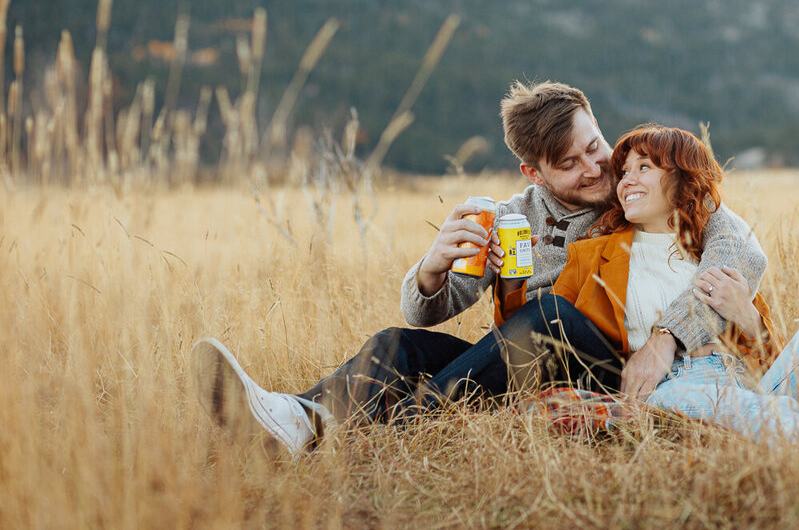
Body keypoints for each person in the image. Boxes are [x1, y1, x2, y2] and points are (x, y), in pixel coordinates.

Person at [192, 82, 767, 455]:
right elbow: (433, 308)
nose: (598, 169)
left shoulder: (642, 192)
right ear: (532, 173)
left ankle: (392, 435)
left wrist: (668, 338)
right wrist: (432, 269)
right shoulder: (508, 218)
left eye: (597, 146)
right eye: (571, 164)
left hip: (613, 361)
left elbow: (735, 252)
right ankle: (299, 419)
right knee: (401, 344)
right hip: (526, 361)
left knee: (552, 315)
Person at [499, 124, 799, 447]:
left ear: (679, 177)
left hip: (753, 381)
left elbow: (765, 349)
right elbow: (543, 329)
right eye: (623, 172)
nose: (625, 180)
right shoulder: (595, 251)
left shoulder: (714, 242)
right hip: (673, 388)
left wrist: (748, 319)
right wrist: (506, 279)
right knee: (709, 400)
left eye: (644, 167)